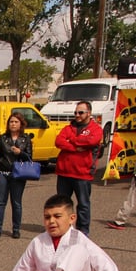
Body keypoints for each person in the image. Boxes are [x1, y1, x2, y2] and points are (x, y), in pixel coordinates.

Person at [54, 100, 102, 236]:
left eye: (81, 112)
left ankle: (83, 231)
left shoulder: (96, 129)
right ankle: (63, 228)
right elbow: (58, 141)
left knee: (83, 205)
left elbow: (92, 141)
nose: (77, 115)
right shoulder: (68, 128)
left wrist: (72, 140)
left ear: (89, 113)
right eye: (75, 112)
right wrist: (75, 147)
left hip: (82, 174)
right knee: (62, 204)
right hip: (64, 173)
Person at [0, 113, 34, 239]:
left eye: (16, 122)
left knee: (16, 203)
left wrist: (20, 152)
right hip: (3, 173)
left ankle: (16, 229)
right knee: (0, 202)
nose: (13, 124)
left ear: (21, 124)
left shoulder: (25, 139)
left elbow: (30, 158)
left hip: (18, 175)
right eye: (11, 122)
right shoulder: (2, 138)